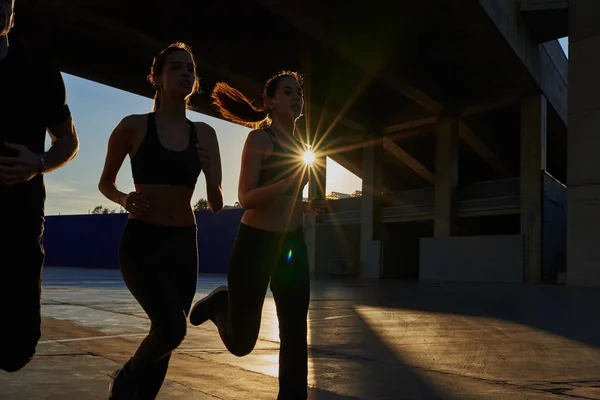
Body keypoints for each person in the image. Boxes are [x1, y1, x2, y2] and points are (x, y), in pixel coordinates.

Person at [98, 42, 223, 399]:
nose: (186, 73)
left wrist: (211, 172)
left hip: (183, 245)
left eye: (191, 69)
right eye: (176, 67)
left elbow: (215, 203)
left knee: (166, 336)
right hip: (141, 244)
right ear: (156, 77)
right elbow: (105, 183)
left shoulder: (206, 134)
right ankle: (125, 379)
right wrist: (125, 199)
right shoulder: (133, 127)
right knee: (171, 329)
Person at [189, 71, 325, 399]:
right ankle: (221, 303)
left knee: (294, 333)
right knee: (241, 343)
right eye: (288, 92)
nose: (296, 98)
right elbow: (247, 197)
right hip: (255, 244)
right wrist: (289, 185)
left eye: (299, 93)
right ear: (270, 101)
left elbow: (287, 198)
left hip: (291, 244)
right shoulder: (261, 140)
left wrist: (308, 206)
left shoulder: (302, 147)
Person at [0, 0, 80, 373]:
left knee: (16, 350)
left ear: (13, 12)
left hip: (19, 226)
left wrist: (40, 163)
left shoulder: (40, 71)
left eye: (5, 0)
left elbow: (68, 140)